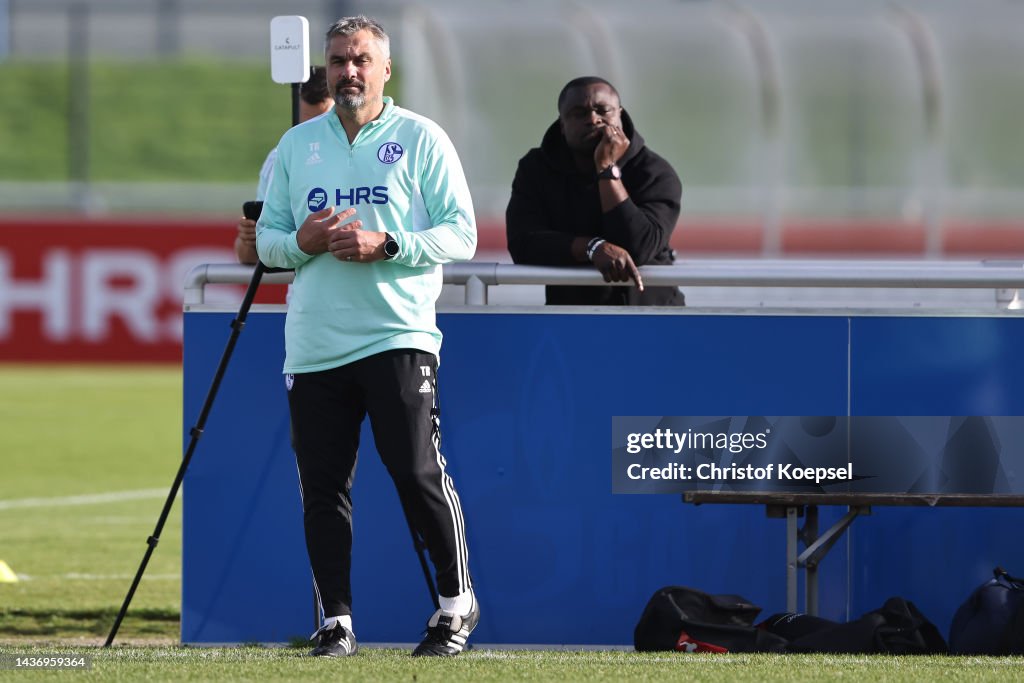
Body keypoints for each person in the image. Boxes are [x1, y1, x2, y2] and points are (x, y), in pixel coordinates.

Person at [255, 16, 479, 658]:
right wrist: (301, 242)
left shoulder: (421, 138)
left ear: (385, 70)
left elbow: (462, 234)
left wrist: (391, 243)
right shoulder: (298, 145)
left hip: (397, 335)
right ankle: (336, 623)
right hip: (314, 344)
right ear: (324, 69)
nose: (348, 72)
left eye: (360, 60)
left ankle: (455, 609)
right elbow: (267, 243)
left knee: (415, 471)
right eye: (337, 61)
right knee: (323, 490)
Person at [506, 76, 686, 306]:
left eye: (603, 110)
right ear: (562, 125)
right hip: (572, 319)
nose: (593, 119)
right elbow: (522, 243)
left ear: (619, 114)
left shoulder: (654, 171)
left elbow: (638, 248)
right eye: (579, 113)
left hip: (651, 317)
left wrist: (606, 170)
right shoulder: (536, 168)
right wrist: (591, 247)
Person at [234, 66, 334, 264]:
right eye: (306, 123)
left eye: (324, 122)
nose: (314, 133)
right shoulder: (280, 157)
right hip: (303, 293)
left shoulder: (361, 153)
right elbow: (249, 257)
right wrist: (250, 239)